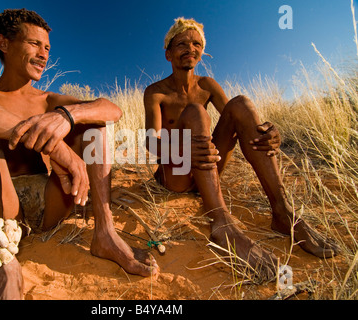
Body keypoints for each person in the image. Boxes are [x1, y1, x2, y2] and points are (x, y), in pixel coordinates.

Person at [0, 8, 158, 300]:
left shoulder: (48, 100)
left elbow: (112, 110)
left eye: (47, 47)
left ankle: (106, 233)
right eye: (34, 44)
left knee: (93, 125)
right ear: (4, 43)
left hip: (49, 202)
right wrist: (55, 148)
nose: (44, 54)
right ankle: (4, 267)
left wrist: (67, 115)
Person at [144, 17, 338, 279]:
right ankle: (221, 222)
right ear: (168, 53)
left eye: (197, 43)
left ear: (202, 51)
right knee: (196, 113)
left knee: (242, 104)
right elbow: (150, 142)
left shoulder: (207, 85)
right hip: (176, 175)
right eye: (182, 43)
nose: (190, 48)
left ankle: (283, 211)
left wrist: (267, 132)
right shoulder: (156, 92)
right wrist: (183, 149)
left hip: (205, 166)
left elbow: (239, 122)